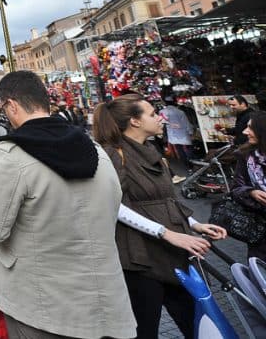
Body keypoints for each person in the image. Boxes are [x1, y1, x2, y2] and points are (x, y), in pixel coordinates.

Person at [0, 70, 136, 339]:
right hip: (105, 299)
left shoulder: (10, 155)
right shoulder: (94, 149)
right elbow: (112, 204)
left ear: (11, 105)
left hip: (41, 305)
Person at [93, 93, 227, 339]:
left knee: (198, 323)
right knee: (144, 330)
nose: (161, 118)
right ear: (134, 121)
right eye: (153, 114)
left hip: (173, 254)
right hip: (141, 258)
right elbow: (115, 205)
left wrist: (196, 225)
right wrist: (167, 234)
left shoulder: (151, 150)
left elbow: (167, 200)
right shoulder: (113, 154)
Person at [231, 112, 266, 261]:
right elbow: (235, 189)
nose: (245, 132)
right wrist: (251, 192)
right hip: (260, 228)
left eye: (250, 128)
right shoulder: (245, 155)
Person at [161, 97, 194, 176]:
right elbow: (186, 123)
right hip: (183, 133)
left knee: (179, 150)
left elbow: (163, 123)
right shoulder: (180, 112)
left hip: (173, 135)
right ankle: (193, 164)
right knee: (188, 149)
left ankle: (187, 166)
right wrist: (190, 132)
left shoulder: (162, 112)